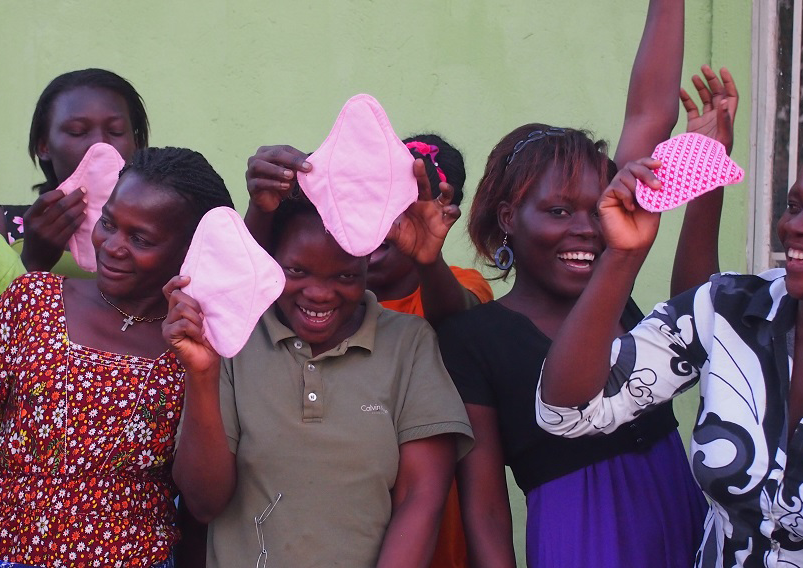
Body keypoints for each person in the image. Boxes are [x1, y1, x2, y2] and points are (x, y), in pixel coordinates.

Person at [436, 1, 717, 566]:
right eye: (560, 211)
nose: (587, 228)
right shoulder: (473, 338)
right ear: (510, 217)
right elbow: (487, 507)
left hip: (680, 516)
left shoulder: (615, 282)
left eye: (596, 208)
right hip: (578, 537)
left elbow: (650, 117)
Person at [166, 188, 475, 567]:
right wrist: (202, 373)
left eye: (344, 275)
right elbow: (202, 501)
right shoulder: (234, 343)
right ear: (271, 263)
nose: (319, 294)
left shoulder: (408, 344)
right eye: (297, 271)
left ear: (368, 264)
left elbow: (420, 499)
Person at [537, 155, 803, 567]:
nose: (792, 227)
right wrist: (622, 256)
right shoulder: (732, 309)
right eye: (794, 206)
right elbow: (568, 412)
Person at [242, 133, 492, 568]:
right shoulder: (320, 295)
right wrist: (262, 212)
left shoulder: (449, 293)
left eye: (399, 204)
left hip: (428, 529)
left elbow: (459, 324)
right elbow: (247, 288)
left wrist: (426, 260)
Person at [0, 146, 234, 567]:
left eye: (140, 238)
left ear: (192, 251)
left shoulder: (205, 345)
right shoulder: (33, 299)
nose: (112, 246)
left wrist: (201, 375)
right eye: (108, 223)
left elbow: (204, 503)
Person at [6, 68, 149, 275]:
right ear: (44, 146)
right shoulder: (6, 228)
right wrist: (33, 261)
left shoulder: (167, 232)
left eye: (115, 131)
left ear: (137, 144)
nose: (99, 144)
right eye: (77, 132)